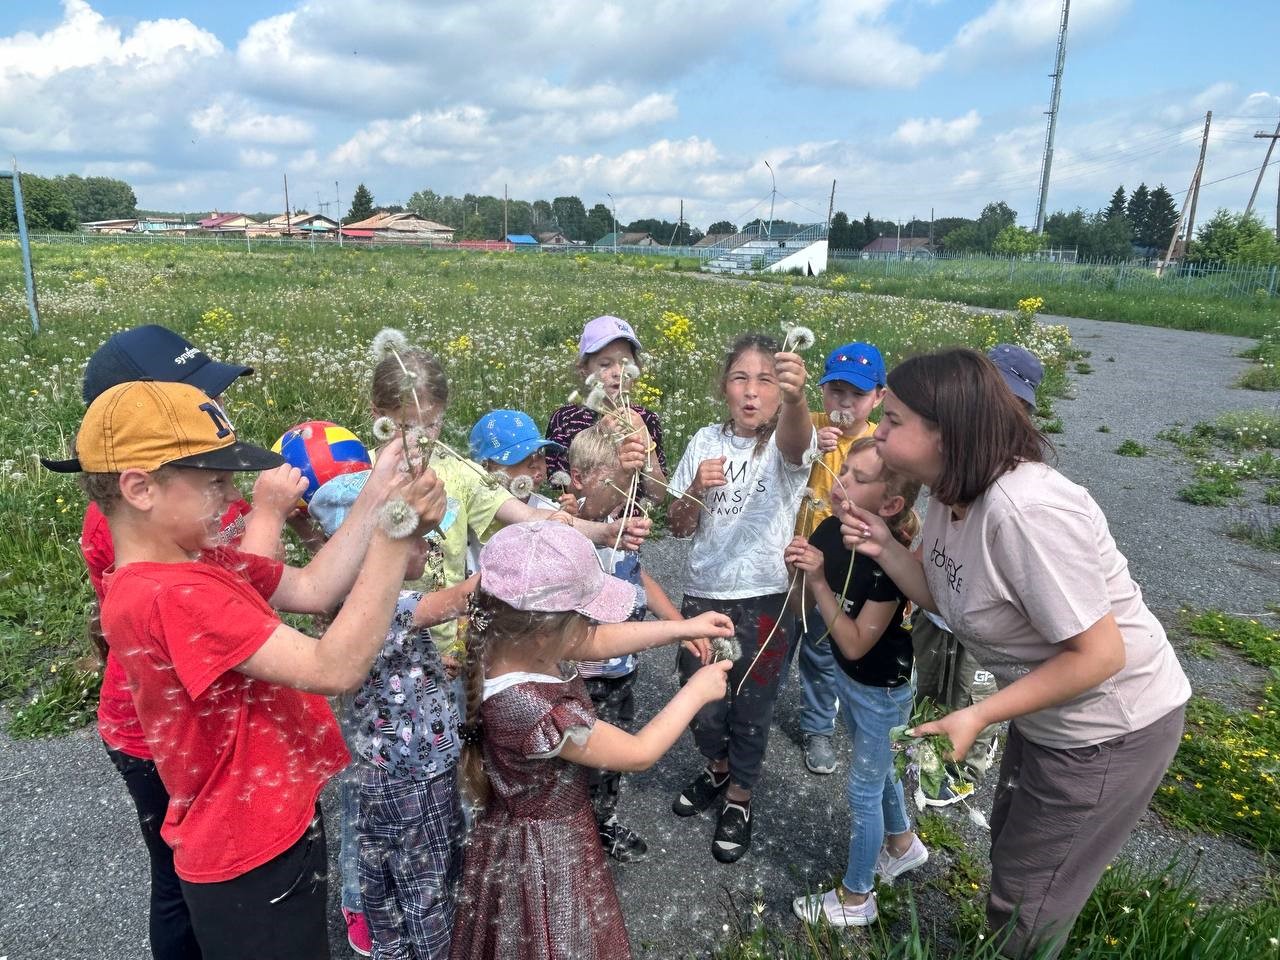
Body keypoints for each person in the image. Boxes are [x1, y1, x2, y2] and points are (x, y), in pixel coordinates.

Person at [46, 379, 447, 960]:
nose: (231, 497)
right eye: (215, 482)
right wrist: (393, 534)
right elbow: (334, 667)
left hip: (269, 818)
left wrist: (380, 486)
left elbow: (311, 587)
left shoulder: (193, 561)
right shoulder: (172, 595)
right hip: (246, 850)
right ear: (139, 488)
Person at [837, 348, 1190, 957]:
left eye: (892, 419)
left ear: (945, 433)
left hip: (1109, 728)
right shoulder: (949, 491)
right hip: (1050, 713)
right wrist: (884, 547)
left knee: (1032, 897)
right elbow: (943, 593)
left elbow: (1100, 655)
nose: (878, 429)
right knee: (1012, 848)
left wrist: (978, 713)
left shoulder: (1025, 512)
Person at [73, 324, 290, 960]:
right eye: (196, 397)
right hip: (153, 730)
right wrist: (271, 517)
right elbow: (239, 601)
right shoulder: (135, 531)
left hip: (176, 709)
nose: (214, 412)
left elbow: (241, 570)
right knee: (180, 877)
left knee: (184, 872)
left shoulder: (183, 497)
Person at [449, 521, 734, 960]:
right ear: (547, 631)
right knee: (550, 934)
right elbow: (638, 754)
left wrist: (680, 627)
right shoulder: (535, 710)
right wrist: (696, 691)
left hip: (517, 831)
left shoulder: (507, 641)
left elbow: (592, 642)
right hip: (546, 852)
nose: (591, 624)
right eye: (586, 614)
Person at [368, 341, 650, 663]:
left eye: (432, 424)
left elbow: (530, 515)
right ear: (378, 415)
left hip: (448, 645)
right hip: (379, 641)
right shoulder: (362, 477)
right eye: (406, 427)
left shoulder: (458, 471)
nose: (419, 439)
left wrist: (602, 533)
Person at [665, 332, 816, 863]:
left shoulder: (785, 444)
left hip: (767, 600)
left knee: (752, 707)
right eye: (740, 378)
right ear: (724, 388)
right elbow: (679, 527)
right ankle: (717, 769)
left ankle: (739, 798)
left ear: (779, 393)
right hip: (704, 594)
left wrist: (797, 401)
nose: (752, 392)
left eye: (766, 381)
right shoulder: (704, 441)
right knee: (703, 703)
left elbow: (799, 445)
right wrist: (692, 492)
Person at [310, 471, 468, 960]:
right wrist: (520, 560)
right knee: (429, 879)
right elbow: (460, 599)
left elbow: (380, 670)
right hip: (417, 774)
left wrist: (427, 666)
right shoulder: (391, 605)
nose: (433, 547)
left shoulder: (345, 611)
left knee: (385, 875)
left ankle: (390, 948)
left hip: (376, 773)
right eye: (423, 537)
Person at [785, 438, 927, 927]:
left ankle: (856, 900)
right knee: (880, 768)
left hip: (882, 690)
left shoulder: (892, 563)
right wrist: (799, 574)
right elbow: (809, 611)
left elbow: (852, 644)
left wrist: (820, 581)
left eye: (859, 478)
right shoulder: (828, 527)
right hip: (851, 682)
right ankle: (903, 845)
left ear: (889, 506)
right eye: (843, 467)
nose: (840, 478)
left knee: (864, 790)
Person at [910, 342, 1044, 805]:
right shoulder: (951, 481)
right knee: (929, 685)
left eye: (1011, 409)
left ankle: (965, 768)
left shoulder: (1019, 503)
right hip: (939, 615)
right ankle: (929, 754)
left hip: (984, 631)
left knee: (974, 695)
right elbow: (931, 549)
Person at [566, 423, 684, 861]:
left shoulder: (623, 523)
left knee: (610, 754)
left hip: (620, 669)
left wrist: (680, 625)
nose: (625, 491)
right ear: (579, 478)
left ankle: (603, 820)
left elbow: (638, 577)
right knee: (571, 755)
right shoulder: (565, 528)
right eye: (615, 480)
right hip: (578, 674)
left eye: (630, 481)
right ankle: (571, 832)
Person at [787, 342, 886, 777]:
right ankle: (753, 708)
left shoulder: (880, 444)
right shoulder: (811, 424)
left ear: (878, 398)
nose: (844, 404)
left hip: (839, 568)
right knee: (777, 636)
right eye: (836, 392)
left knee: (820, 648)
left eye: (857, 395)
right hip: (793, 555)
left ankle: (818, 727)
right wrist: (812, 442)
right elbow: (785, 451)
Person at [544, 314, 667, 502]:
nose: (618, 372)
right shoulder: (566, 420)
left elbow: (658, 496)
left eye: (626, 363)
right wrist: (598, 438)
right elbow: (560, 491)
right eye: (605, 365)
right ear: (585, 369)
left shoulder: (647, 419)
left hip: (635, 526)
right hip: (581, 524)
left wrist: (645, 440)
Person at [466, 409, 565, 574]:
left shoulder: (551, 510)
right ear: (488, 466)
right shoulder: (470, 510)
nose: (535, 463)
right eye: (522, 455)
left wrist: (575, 519)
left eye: (539, 453)